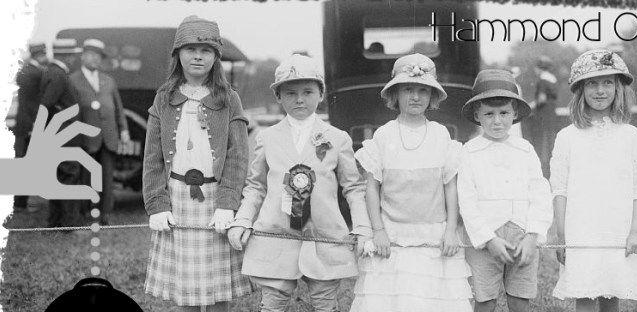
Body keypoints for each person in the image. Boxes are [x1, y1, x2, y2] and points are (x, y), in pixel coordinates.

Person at [227, 53, 371, 312]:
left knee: (325, 303)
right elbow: (256, 186)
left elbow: (354, 187)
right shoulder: (266, 137)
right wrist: (243, 219)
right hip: (277, 235)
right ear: (278, 97)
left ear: (321, 94)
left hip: (324, 237)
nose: (300, 99)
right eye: (290, 93)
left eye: (307, 91)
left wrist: (361, 227)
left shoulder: (337, 138)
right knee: (272, 304)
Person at [143, 15, 252, 312]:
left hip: (216, 201)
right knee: (187, 290)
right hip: (177, 199)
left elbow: (238, 156)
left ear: (216, 57)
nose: (197, 56)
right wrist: (157, 204)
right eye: (190, 49)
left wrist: (227, 203)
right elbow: (152, 158)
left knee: (218, 292)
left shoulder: (229, 99)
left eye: (205, 51)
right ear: (177, 54)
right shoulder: (164, 98)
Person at [350, 53, 472, 312]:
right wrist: (378, 230)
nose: (415, 97)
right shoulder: (384, 135)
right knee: (393, 299)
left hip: (433, 234)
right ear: (395, 94)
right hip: (393, 235)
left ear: (432, 96)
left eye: (422, 90)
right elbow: (372, 188)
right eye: (408, 89)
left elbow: (450, 186)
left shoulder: (440, 135)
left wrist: (451, 229)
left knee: (432, 298)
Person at [549, 49, 637, 311]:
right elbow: (559, 190)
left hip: (617, 228)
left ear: (618, 88)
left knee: (611, 293)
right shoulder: (567, 136)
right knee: (584, 294)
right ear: (580, 90)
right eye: (592, 83)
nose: (600, 90)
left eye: (608, 82)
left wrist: (635, 231)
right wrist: (562, 236)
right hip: (581, 229)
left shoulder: (631, 135)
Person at [457, 69, 553, 312]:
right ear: (477, 114)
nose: (497, 121)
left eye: (503, 113)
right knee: (485, 299)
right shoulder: (469, 151)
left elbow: (540, 193)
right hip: (485, 239)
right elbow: (466, 201)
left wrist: (533, 236)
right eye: (489, 113)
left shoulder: (525, 149)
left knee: (520, 299)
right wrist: (488, 240)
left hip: (522, 236)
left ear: (515, 113)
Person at [70, 38, 129, 225]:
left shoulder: (108, 81)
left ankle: (105, 214)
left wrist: (124, 130)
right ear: (83, 56)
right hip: (86, 138)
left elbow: (118, 108)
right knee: (86, 176)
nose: (95, 59)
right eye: (91, 55)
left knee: (106, 177)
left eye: (98, 56)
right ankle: (87, 211)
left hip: (108, 136)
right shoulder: (73, 80)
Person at [43, 38, 85, 228]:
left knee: (58, 177)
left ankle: (56, 222)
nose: (75, 59)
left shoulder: (52, 72)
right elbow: (47, 104)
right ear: (67, 56)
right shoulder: (59, 75)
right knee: (69, 176)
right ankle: (69, 224)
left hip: (57, 134)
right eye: (73, 55)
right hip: (64, 135)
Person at [13, 42, 48, 213]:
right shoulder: (36, 73)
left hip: (23, 122)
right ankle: (20, 203)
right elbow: (35, 103)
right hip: (31, 123)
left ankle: (20, 202)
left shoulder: (25, 71)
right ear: (40, 55)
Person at [522, 56, 559, 177]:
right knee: (550, 144)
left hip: (542, 116)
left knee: (541, 144)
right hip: (551, 116)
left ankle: (542, 174)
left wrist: (530, 106)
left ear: (539, 68)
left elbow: (541, 99)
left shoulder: (542, 80)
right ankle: (551, 172)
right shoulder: (553, 80)